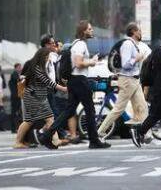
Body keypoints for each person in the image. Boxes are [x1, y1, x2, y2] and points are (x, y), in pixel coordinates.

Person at [38, 20, 110, 149]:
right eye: (89, 29)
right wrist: (92, 62)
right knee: (90, 110)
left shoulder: (76, 44)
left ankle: (46, 135)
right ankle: (94, 141)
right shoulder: (81, 44)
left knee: (69, 110)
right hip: (80, 80)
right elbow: (78, 63)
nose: (92, 31)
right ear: (83, 31)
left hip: (74, 81)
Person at [98, 23, 149, 139]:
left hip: (135, 80)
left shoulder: (133, 44)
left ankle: (141, 134)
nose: (141, 33)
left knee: (142, 107)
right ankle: (100, 131)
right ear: (134, 32)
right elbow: (125, 64)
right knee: (119, 109)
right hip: (127, 80)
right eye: (139, 31)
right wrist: (137, 58)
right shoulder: (127, 44)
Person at [15, 48, 68, 149]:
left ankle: (18, 141)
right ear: (41, 57)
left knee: (29, 120)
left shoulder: (39, 67)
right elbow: (48, 82)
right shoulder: (37, 68)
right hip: (34, 96)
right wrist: (63, 88)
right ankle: (55, 140)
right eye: (46, 57)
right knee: (49, 118)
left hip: (37, 96)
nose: (48, 59)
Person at [8, 63, 22, 133]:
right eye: (19, 67)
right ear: (16, 68)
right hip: (15, 96)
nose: (21, 68)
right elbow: (18, 83)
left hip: (15, 96)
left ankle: (15, 128)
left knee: (16, 112)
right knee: (15, 112)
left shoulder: (15, 75)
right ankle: (13, 128)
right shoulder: (14, 75)